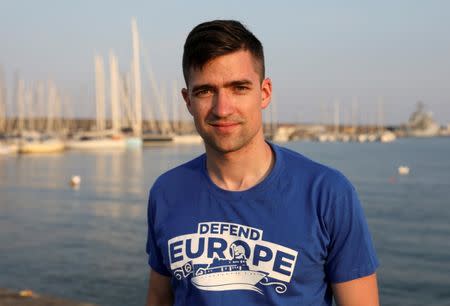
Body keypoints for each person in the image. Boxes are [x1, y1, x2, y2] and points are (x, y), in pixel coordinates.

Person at [145, 20, 379, 306]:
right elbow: (159, 296)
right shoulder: (166, 192)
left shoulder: (326, 193)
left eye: (239, 88)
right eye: (205, 91)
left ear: (265, 93)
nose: (222, 109)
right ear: (188, 100)